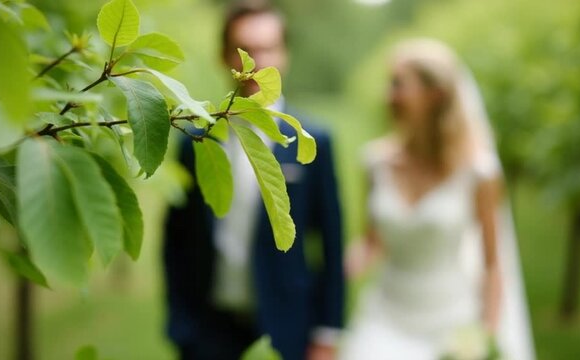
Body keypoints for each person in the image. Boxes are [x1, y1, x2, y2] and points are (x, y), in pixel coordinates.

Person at [163, 1, 344, 360]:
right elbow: (176, 241)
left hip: (287, 327)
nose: (257, 62)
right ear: (223, 57)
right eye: (244, 50)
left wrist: (326, 333)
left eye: (268, 48)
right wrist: (181, 326)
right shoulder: (196, 141)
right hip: (209, 330)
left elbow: (331, 244)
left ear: (285, 54)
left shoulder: (312, 141)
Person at [340, 39, 535, 360]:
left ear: (436, 95)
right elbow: (373, 242)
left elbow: (492, 268)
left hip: (450, 322)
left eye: (398, 84)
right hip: (385, 316)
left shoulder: (479, 173)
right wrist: (340, 267)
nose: (388, 95)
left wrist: (484, 338)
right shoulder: (375, 163)